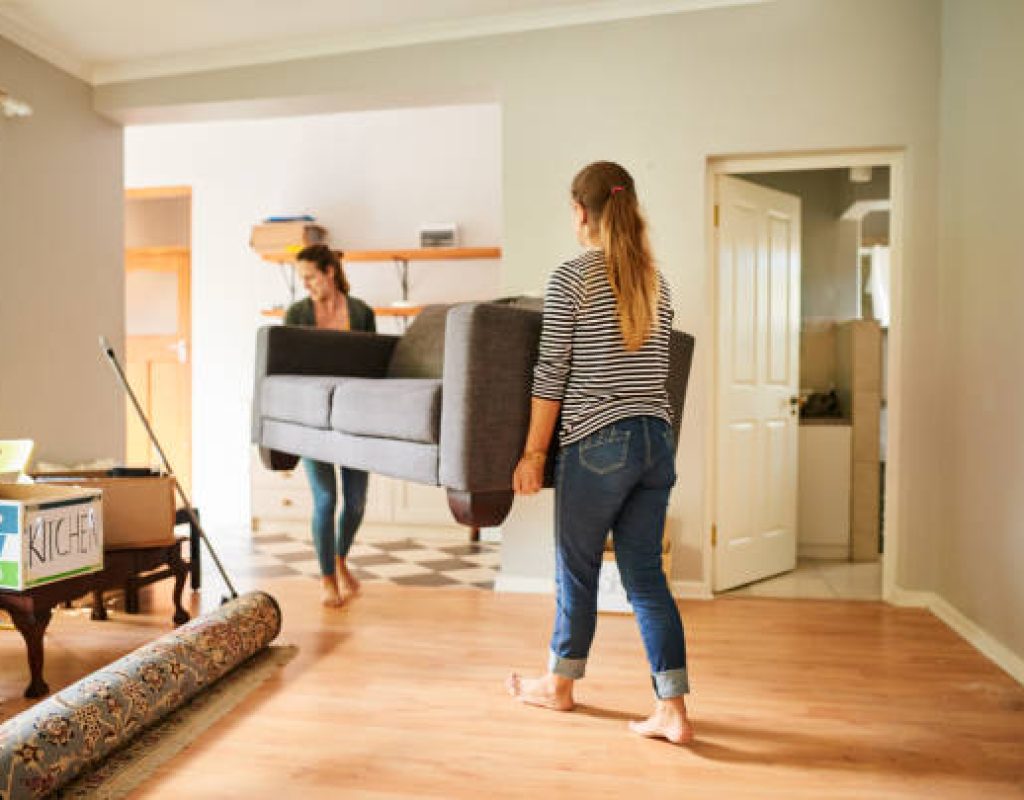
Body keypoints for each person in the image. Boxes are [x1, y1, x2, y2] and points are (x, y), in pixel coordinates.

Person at [505, 162, 694, 745]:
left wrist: (532, 454)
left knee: (576, 570)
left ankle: (558, 686)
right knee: (646, 579)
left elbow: (550, 375)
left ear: (580, 211)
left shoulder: (572, 277)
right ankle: (673, 711)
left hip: (598, 442)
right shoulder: (657, 282)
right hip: (656, 442)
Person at [285, 244, 376, 608]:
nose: (305, 284)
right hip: (313, 422)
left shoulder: (361, 312)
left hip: (356, 419)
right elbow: (286, 367)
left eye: (310, 277)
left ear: (330, 272)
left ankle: (339, 559)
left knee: (355, 503)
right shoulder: (297, 314)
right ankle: (327, 578)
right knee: (325, 499)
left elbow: (374, 365)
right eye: (302, 278)